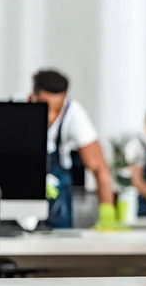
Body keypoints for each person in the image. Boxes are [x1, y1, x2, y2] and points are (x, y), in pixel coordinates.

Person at [29, 69, 121, 230]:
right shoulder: (17, 108)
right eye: (45, 107)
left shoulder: (74, 114)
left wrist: (107, 213)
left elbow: (100, 168)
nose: (51, 117)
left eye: (57, 109)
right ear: (33, 96)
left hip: (58, 204)